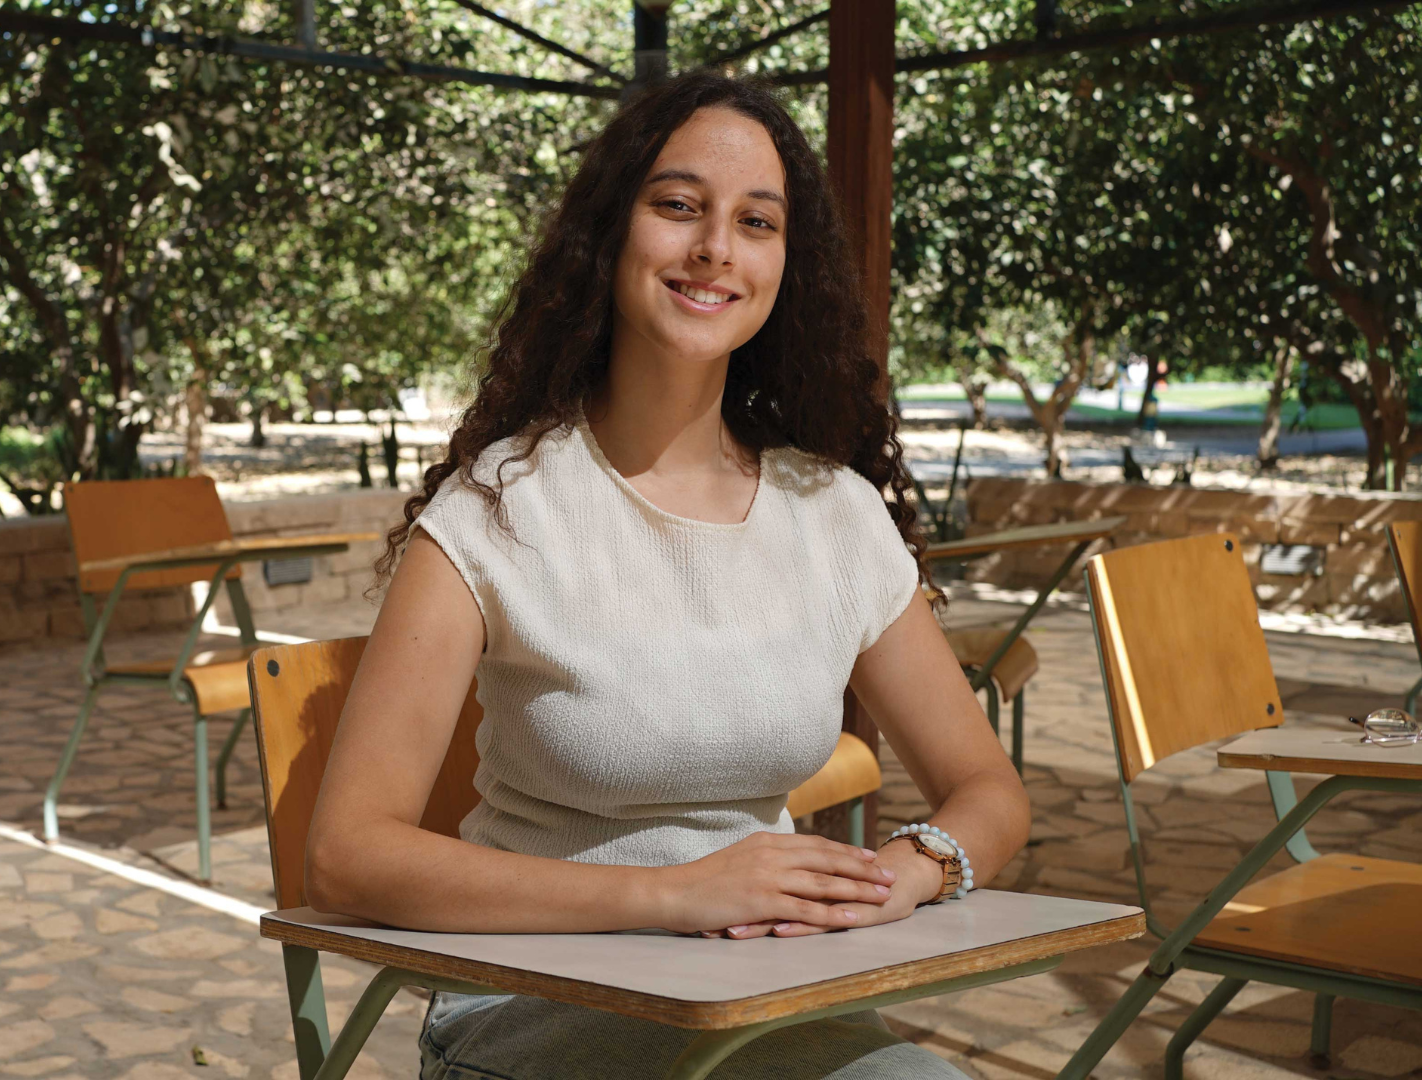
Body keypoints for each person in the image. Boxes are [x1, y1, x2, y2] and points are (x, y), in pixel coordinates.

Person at [305, 73, 1031, 1079]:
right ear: (613, 234)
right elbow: (346, 854)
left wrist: (905, 875)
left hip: (766, 999)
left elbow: (986, 788)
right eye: (679, 206)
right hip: (534, 1003)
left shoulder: (836, 514)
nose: (715, 249)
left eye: (757, 221)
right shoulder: (497, 510)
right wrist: (675, 893)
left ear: (789, 261)